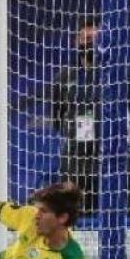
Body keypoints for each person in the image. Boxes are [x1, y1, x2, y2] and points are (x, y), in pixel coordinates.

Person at [52, 16, 101, 214]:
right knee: (73, 213)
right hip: (74, 159)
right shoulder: (64, 77)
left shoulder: (121, 77)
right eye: (84, 38)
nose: (88, 42)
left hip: (110, 157)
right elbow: (57, 116)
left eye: (93, 39)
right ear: (76, 41)